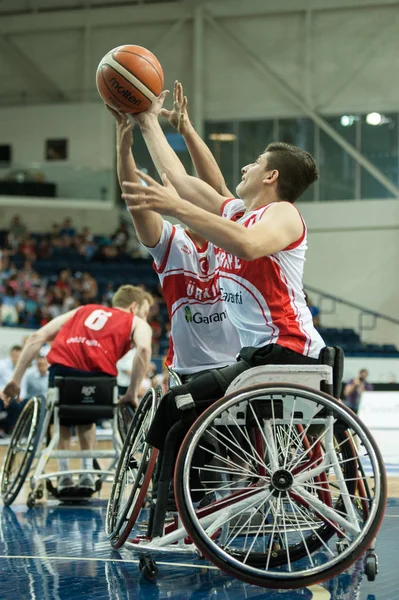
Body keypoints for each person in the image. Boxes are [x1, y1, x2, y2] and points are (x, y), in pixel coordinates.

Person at [120, 83, 326, 461]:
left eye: (255, 163)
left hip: (287, 352)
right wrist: (147, 121)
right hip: (258, 357)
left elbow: (246, 245)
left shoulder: (282, 213)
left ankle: (167, 501)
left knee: (175, 405)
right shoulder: (238, 213)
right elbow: (181, 181)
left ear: (271, 177)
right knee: (180, 408)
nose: (246, 166)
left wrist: (178, 208)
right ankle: (182, 499)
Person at [107, 96, 241, 383]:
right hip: (188, 370)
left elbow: (217, 186)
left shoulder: (232, 235)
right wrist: (124, 151)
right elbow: (135, 201)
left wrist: (187, 130)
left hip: (238, 367)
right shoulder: (171, 242)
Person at [1, 285, 153, 492]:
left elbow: (37, 337)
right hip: (100, 381)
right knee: (88, 417)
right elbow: (144, 349)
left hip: (63, 374)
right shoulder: (136, 322)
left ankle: (63, 476)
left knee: (62, 416)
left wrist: (15, 380)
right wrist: (132, 393)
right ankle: (88, 473)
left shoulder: (82, 310)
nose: (144, 317)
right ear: (134, 306)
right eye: (144, 312)